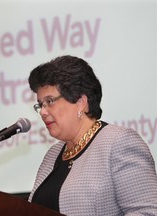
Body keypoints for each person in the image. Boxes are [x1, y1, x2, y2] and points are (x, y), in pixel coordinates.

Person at [27, 55, 157, 215]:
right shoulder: (52, 154)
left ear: (80, 102)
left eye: (50, 101)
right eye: (40, 105)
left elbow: (147, 212)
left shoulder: (118, 143)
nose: (43, 112)